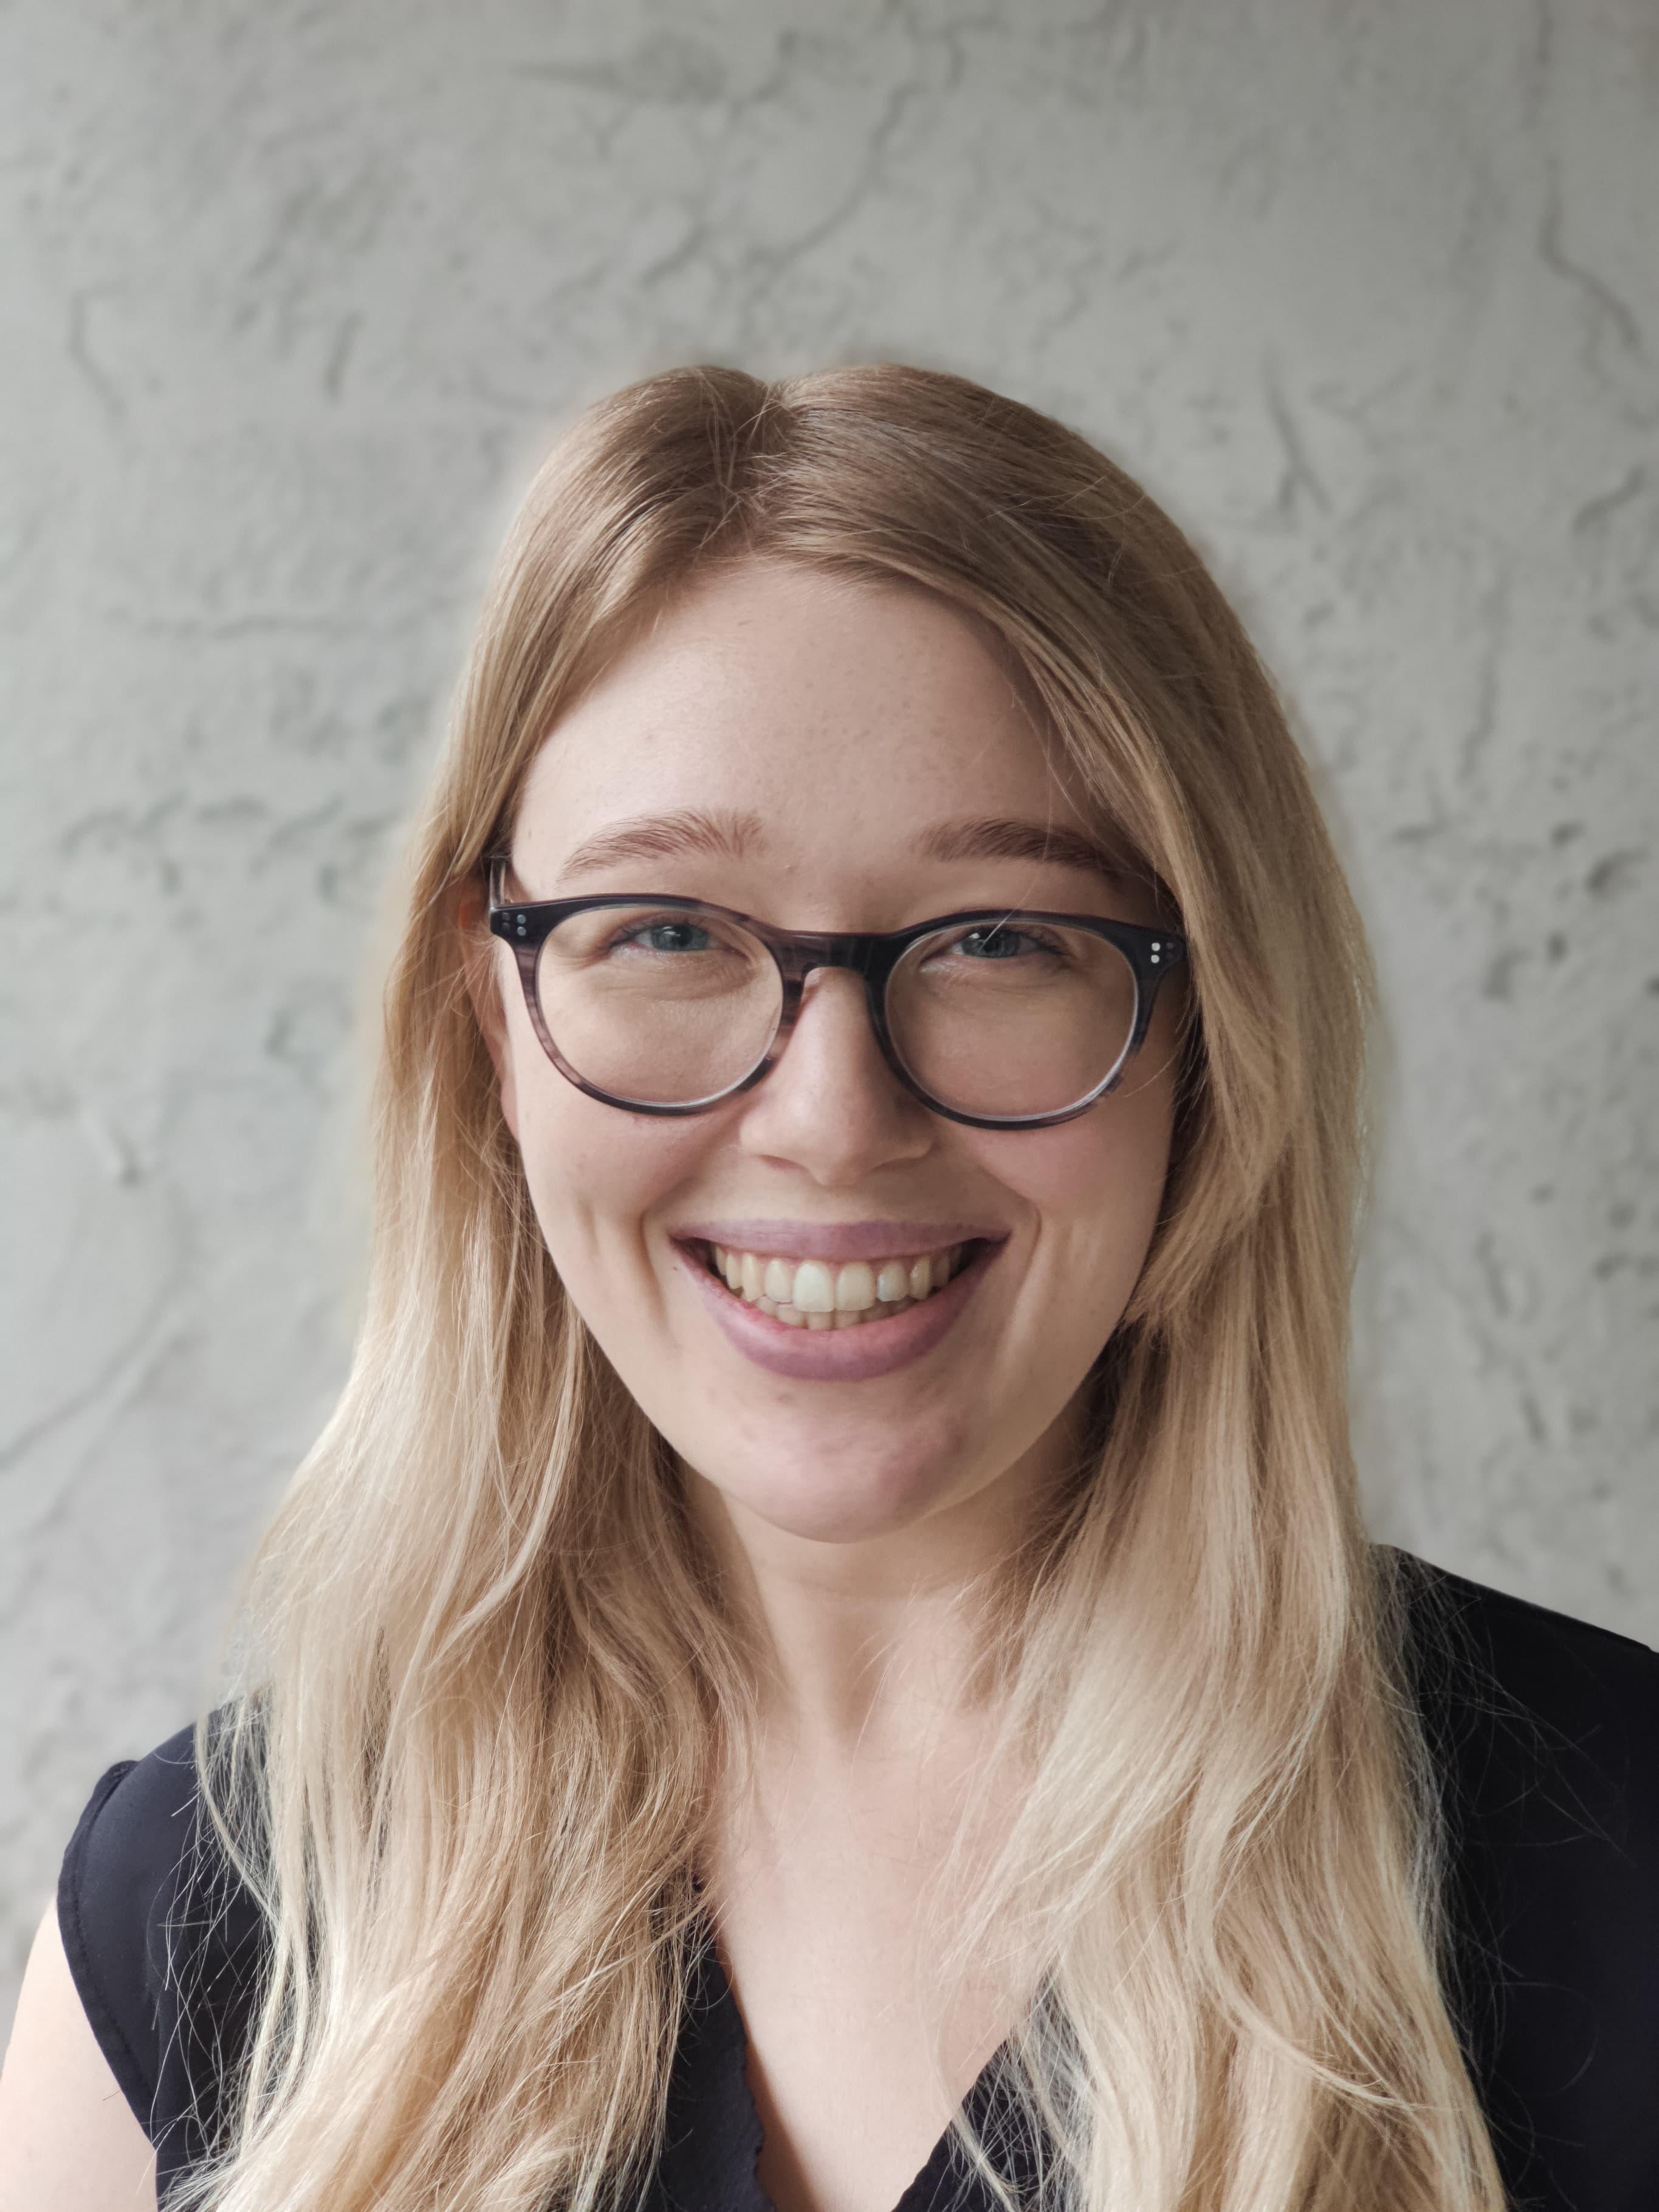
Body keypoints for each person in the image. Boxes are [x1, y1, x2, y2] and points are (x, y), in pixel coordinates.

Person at [0, 365, 1654, 2212]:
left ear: (1211, 1036)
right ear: (491, 1026)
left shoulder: (1625, 1874)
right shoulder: (198, 1920)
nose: (833, 1121)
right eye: (665, 930)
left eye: (1002, 939)